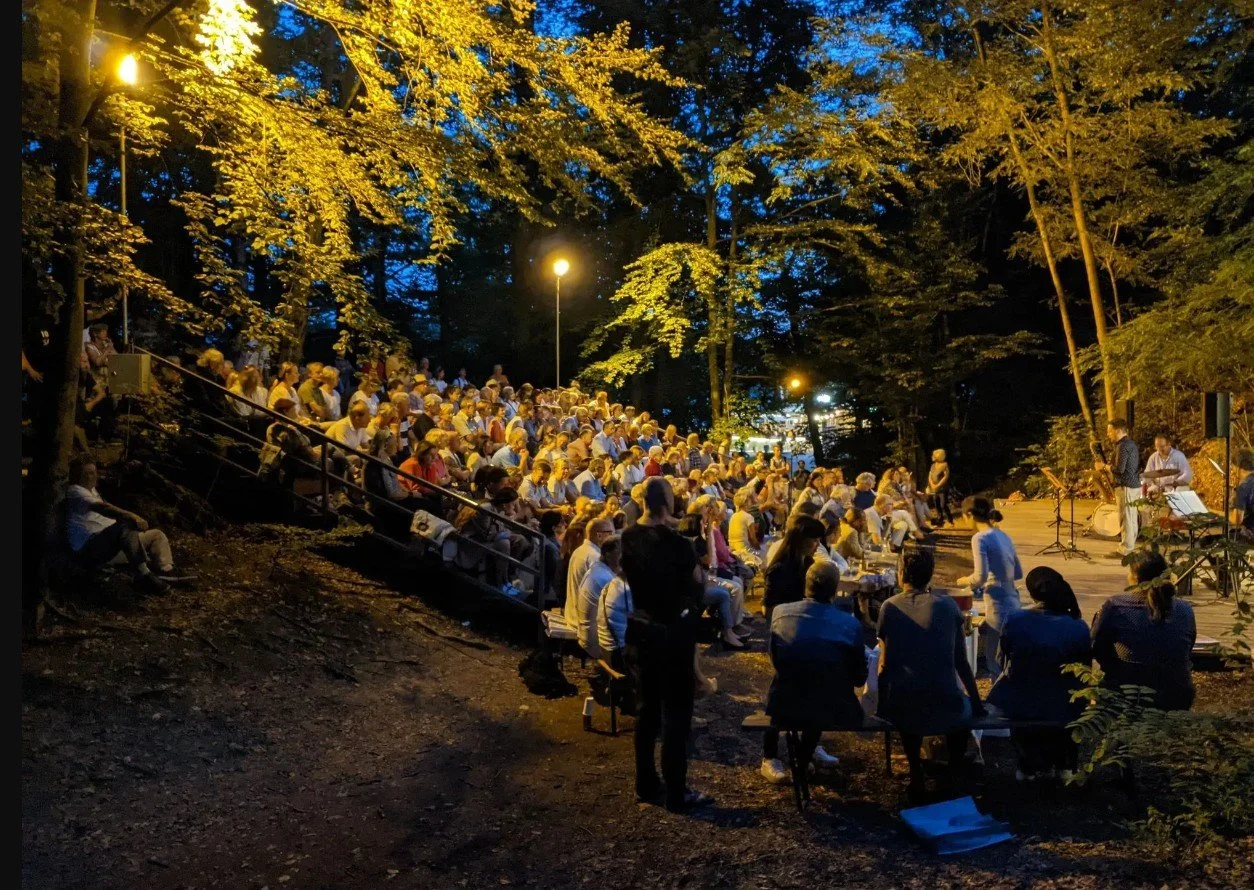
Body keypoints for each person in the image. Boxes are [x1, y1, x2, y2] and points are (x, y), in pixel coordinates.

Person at [620, 478, 712, 812]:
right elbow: (698, 585)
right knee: (676, 714)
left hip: (643, 631)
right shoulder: (678, 544)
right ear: (668, 503)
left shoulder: (627, 538)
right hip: (674, 633)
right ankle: (676, 790)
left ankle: (645, 783)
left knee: (646, 712)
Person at [877, 545, 984, 802]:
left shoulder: (889, 607)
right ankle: (952, 774)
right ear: (931, 575)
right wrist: (977, 702)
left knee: (906, 709)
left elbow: (884, 664)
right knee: (962, 716)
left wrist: (882, 706)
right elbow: (961, 661)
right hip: (946, 704)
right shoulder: (948, 607)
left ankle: (916, 772)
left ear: (901, 574)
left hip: (905, 706)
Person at [765, 560, 869, 778]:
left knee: (791, 679)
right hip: (836, 709)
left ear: (806, 585)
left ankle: (785, 757)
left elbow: (776, 660)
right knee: (821, 684)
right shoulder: (850, 625)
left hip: (785, 704)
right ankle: (802, 760)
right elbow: (860, 678)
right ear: (835, 590)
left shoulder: (780, 613)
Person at [988, 567, 1091, 781]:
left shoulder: (1015, 620)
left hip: (1024, 702)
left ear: (1032, 594)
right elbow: (1085, 670)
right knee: (1064, 695)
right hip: (1065, 703)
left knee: (1020, 690)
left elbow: (1001, 660)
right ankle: (1065, 763)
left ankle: (1029, 765)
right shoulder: (1078, 626)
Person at [760, 515, 832, 784]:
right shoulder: (780, 568)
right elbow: (769, 608)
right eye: (814, 539)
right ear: (800, 539)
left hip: (807, 636)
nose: (817, 544)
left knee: (810, 691)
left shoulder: (809, 563)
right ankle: (770, 755)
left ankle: (807, 747)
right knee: (780, 694)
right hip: (787, 637)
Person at [1091, 550, 1196, 711]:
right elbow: (1187, 649)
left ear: (1134, 578)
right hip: (1177, 695)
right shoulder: (1185, 609)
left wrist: (1119, 668)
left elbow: (1097, 647)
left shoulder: (1116, 606)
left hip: (1128, 694)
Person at [63, 457, 173, 595]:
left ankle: (166, 572)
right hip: (91, 547)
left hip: (114, 544)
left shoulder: (92, 491)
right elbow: (103, 508)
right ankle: (143, 575)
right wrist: (133, 516)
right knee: (126, 524)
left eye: (94, 472)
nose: (94, 476)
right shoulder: (75, 491)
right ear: (78, 475)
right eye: (88, 473)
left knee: (157, 535)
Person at [955, 496, 1023, 680]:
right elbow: (1018, 572)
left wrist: (963, 581)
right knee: (1009, 656)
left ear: (969, 514)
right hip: (1014, 599)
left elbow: (980, 576)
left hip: (998, 603)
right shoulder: (1003, 535)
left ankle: (997, 702)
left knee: (994, 660)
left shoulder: (980, 538)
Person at [573, 536, 624, 658]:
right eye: (620, 552)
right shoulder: (605, 578)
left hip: (588, 634)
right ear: (607, 554)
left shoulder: (598, 569)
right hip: (595, 642)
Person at [1101, 418, 1141, 557]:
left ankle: (1125, 550)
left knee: (1126, 518)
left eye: (1110, 431)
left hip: (1126, 486)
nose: (1108, 434)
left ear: (1118, 431)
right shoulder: (1130, 444)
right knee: (1131, 517)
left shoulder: (1122, 446)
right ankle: (1129, 547)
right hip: (1133, 485)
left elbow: (1120, 469)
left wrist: (1104, 467)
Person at [565, 518, 613, 622]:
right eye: (611, 533)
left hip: (573, 616)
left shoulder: (580, 550)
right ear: (599, 535)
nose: (613, 537)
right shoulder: (595, 557)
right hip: (584, 623)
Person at [926, 449, 953, 526]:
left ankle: (950, 520)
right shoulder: (933, 465)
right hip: (934, 489)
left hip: (943, 488)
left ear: (938, 456)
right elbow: (930, 476)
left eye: (933, 455)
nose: (932, 457)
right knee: (936, 504)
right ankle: (940, 520)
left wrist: (938, 485)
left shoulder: (945, 464)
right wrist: (932, 484)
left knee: (943, 504)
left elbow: (946, 476)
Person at [1233, 449, 1254, 543]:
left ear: (1238, 468)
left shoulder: (1244, 486)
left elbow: (1237, 520)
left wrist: (1213, 512)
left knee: (1206, 541)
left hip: (1250, 536)